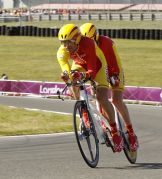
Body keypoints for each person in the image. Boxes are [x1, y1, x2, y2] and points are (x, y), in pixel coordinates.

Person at [57, 24, 123, 152]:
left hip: (98, 66)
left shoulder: (88, 43)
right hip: (80, 64)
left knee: (101, 98)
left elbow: (92, 70)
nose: (66, 46)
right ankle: (84, 112)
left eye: (68, 42)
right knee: (73, 82)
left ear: (76, 39)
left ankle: (115, 130)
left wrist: (84, 75)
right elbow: (65, 68)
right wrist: (67, 76)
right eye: (63, 43)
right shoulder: (62, 51)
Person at [80, 22, 138, 152]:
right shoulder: (83, 45)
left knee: (117, 100)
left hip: (114, 70)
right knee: (100, 97)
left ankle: (131, 132)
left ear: (96, 36)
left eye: (90, 40)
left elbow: (114, 61)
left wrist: (115, 76)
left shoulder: (106, 43)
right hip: (99, 71)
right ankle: (110, 127)